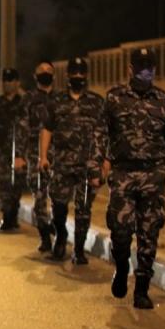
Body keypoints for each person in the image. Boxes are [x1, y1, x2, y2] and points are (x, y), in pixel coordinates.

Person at [104, 48, 165, 309]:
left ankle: (142, 289)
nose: (146, 72)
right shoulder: (115, 98)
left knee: (148, 233)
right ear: (130, 69)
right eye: (141, 67)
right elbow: (101, 133)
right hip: (123, 174)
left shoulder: (163, 100)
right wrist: (99, 164)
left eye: (149, 67)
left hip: (153, 175)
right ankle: (121, 267)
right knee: (120, 231)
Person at [39, 57, 105, 263]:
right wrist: (43, 156)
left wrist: (104, 163)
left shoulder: (97, 102)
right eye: (74, 73)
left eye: (81, 73)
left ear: (86, 75)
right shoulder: (56, 101)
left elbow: (104, 134)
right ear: (67, 75)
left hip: (88, 165)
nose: (78, 76)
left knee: (83, 209)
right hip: (62, 164)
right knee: (58, 205)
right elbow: (47, 129)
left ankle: (78, 250)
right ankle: (61, 236)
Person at [0, 68, 27, 231]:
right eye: (6, 80)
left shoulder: (24, 104)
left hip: (20, 152)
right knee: (4, 184)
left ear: (17, 83)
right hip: (1, 151)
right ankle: (6, 216)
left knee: (17, 184)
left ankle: (13, 213)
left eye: (11, 80)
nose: (8, 83)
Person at [20, 60, 56, 252]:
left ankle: (57, 230)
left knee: (59, 197)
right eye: (41, 71)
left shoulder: (61, 99)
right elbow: (21, 128)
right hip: (35, 154)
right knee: (40, 196)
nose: (45, 73)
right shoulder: (28, 99)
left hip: (59, 154)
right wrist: (19, 155)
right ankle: (45, 235)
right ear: (35, 76)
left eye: (48, 70)